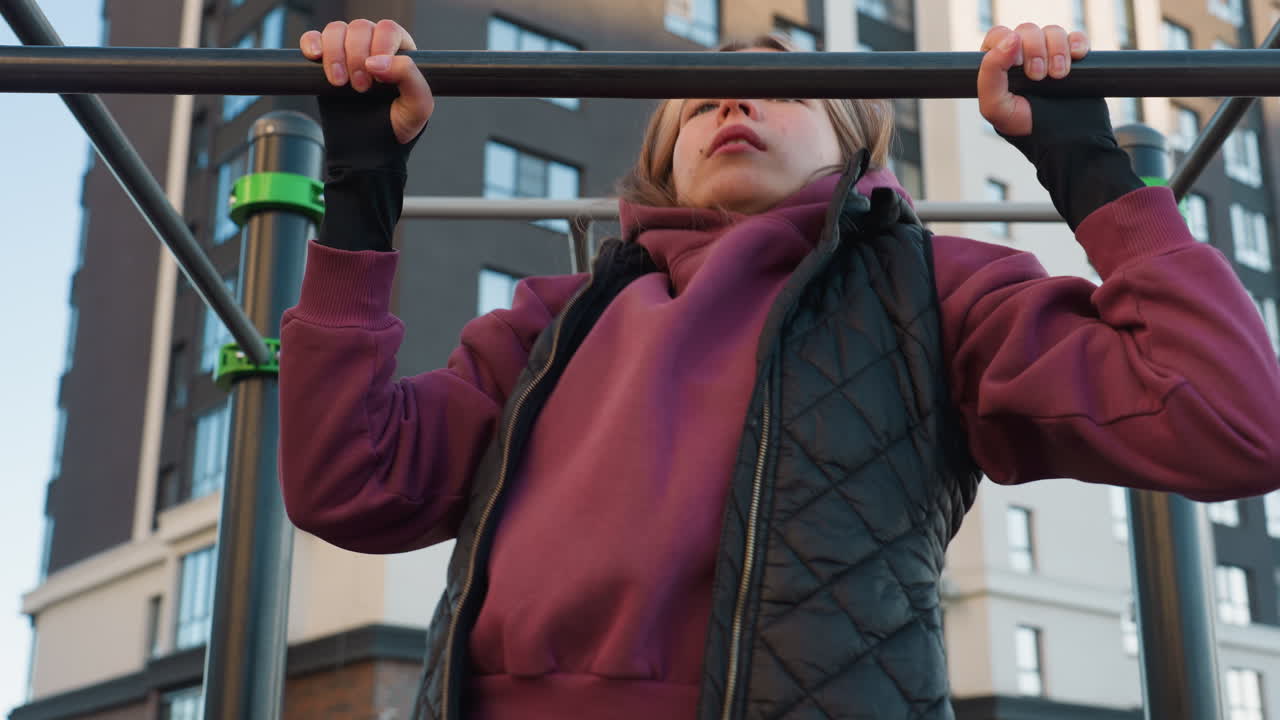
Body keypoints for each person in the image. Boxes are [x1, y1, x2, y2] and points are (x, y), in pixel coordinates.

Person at [279, 18, 1280, 720]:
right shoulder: (553, 320)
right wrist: (362, 191)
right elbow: (347, 484)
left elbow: (1235, 423)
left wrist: (1087, 167)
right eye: (696, 101)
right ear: (662, 160)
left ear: (854, 146)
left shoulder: (934, 293)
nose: (729, 101)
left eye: (784, 90)